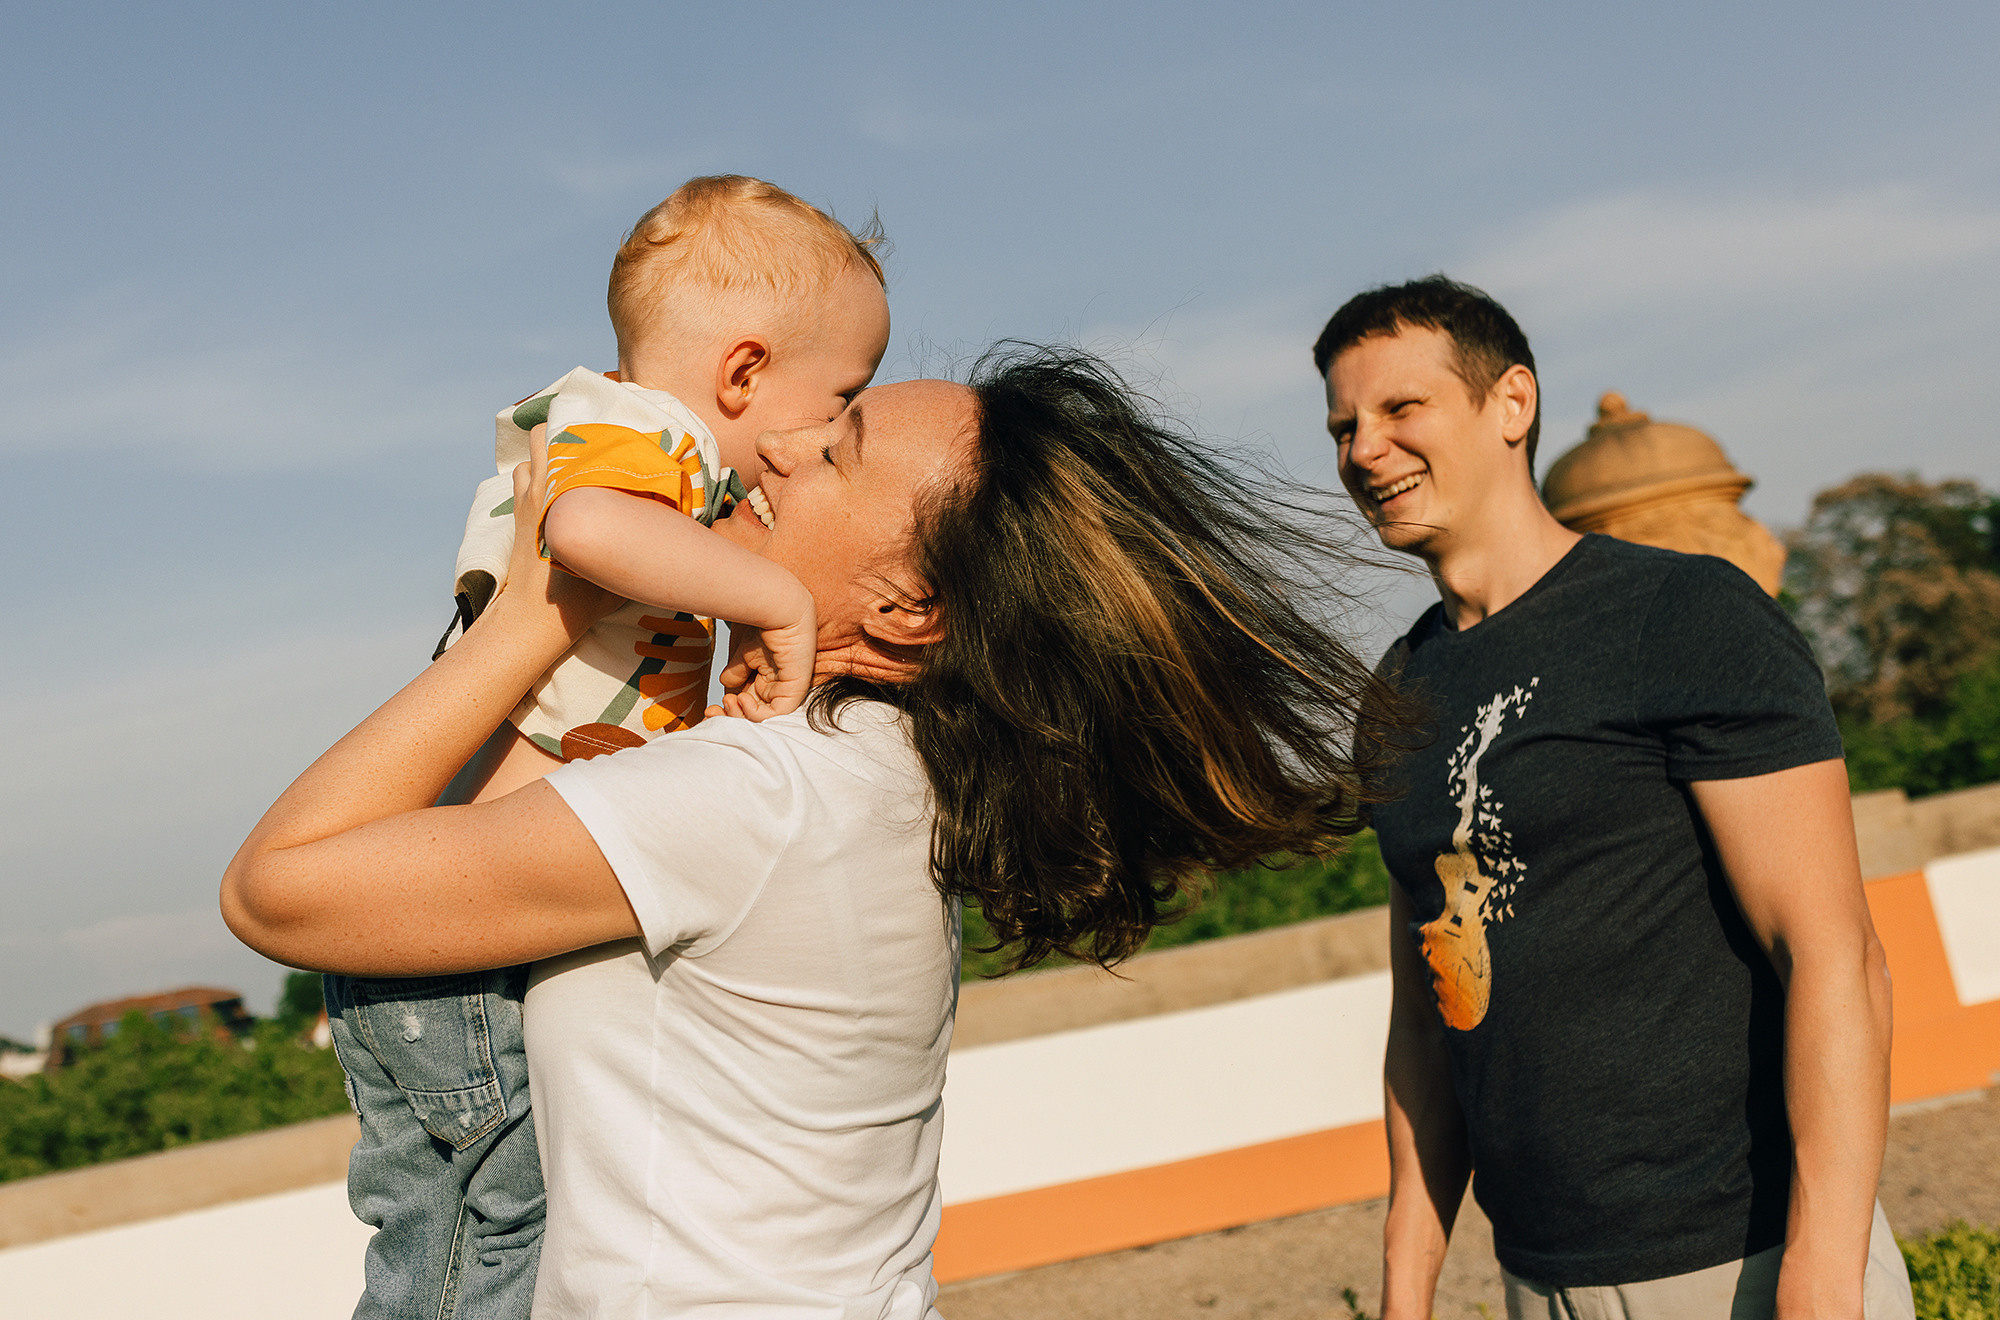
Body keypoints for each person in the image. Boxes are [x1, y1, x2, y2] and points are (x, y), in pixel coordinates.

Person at [224, 346, 1409, 1317]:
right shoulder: (876, 779)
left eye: (838, 449)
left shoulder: (760, 798)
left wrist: (540, 613)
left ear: (907, 608)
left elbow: (275, 890)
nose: (782, 444)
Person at [317, 173, 891, 1320]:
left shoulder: (636, 450)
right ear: (742, 372)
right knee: (502, 1242)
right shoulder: (644, 435)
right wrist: (776, 603)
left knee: (440, 1239)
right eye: (843, 397)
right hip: (467, 936)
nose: (834, 432)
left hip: (437, 911)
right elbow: (583, 530)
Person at [1313, 275, 1913, 1320]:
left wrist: (1822, 1270)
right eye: (1343, 427)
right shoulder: (1396, 694)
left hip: (1745, 1263)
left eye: (1402, 407)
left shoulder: (1678, 614)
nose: (1365, 450)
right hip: (1539, 1279)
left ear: (1511, 403)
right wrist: (1406, 1285)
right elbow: (1426, 1017)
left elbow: (1832, 954)